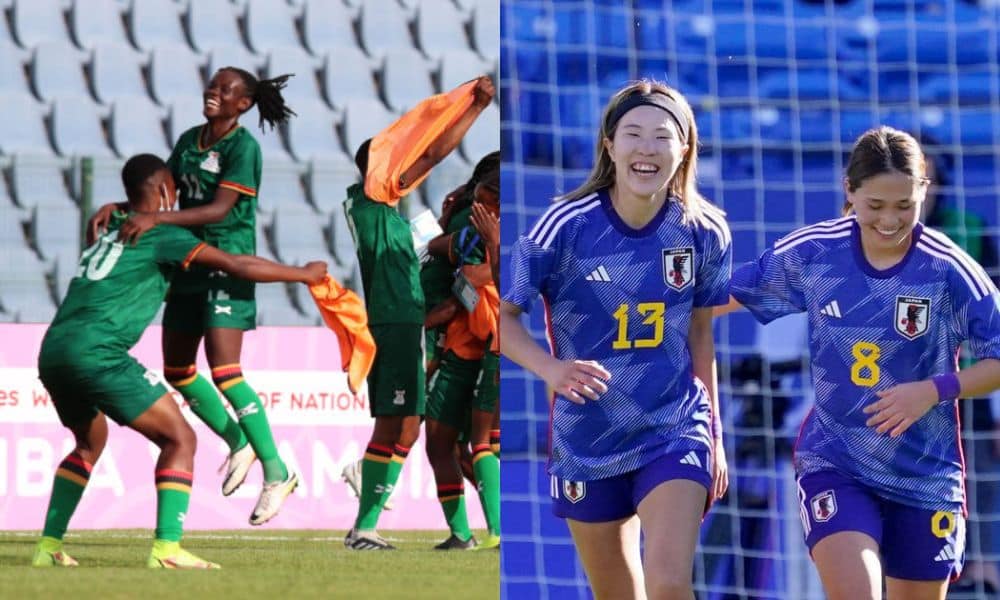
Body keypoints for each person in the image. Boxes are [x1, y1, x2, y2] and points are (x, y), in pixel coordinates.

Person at [723, 126, 1000, 600]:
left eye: (904, 206)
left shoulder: (949, 267)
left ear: (924, 192)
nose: (890, 220)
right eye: (874, 206)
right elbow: (720, 296)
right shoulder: (814, 252)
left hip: (924, 474)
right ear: (848, 190)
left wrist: (934, 390)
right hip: (836, 463)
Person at [33, 154, 326, 568]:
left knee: (87, 443)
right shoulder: (161, 237)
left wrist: (120, 206)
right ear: (166, 191)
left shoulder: (106, 227)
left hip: (54, 351)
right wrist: (304, 274)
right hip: (98, 353)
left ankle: (48, 548)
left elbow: (130, 216)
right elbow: (236, 264)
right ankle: (167, 550)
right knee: (180, 440)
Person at [501, 79, 731, 598]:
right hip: (587, 439)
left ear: (685, 148)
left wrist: (715, 435)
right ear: (609, 144)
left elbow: (700, 333)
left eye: (662, 136)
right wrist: (551, 370)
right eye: (633, 134)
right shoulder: (561, 226)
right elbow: (503, 319)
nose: (646, 148)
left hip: (675, 428)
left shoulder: (705, 231)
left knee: (669, 584)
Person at [87, 68, 298, 525]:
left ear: (243, 104)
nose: (213, 92)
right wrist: (124, 208)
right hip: (187, 260)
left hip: (226, 259)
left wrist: (157, 223)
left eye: (225, 89)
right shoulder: (188, 140)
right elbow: (167, 194)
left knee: (225, 370)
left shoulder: (244, 147)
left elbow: (221, 208)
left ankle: (277, 471)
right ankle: (238, 441)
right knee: (177, 369)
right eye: (212, 85)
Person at [343, 76, 495, 550]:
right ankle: (363, 528)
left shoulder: (379, 208)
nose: (406, 164)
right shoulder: (375, 197)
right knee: (400, 426)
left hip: (402, 320)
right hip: (398, 321)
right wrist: (474, 108)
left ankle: (369, 525)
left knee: (406, 425)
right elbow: (431, 153)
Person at [424, 166, 501, 550]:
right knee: (441, 443)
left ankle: (501, 532)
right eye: (476, 201)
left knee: (485, 442)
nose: (476, 208)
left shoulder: (519, 242)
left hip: (501, 346)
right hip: (467, 343)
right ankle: (461, 534)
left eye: (485, 203)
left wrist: (486, 265)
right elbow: (436, 247)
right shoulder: (473, 231)